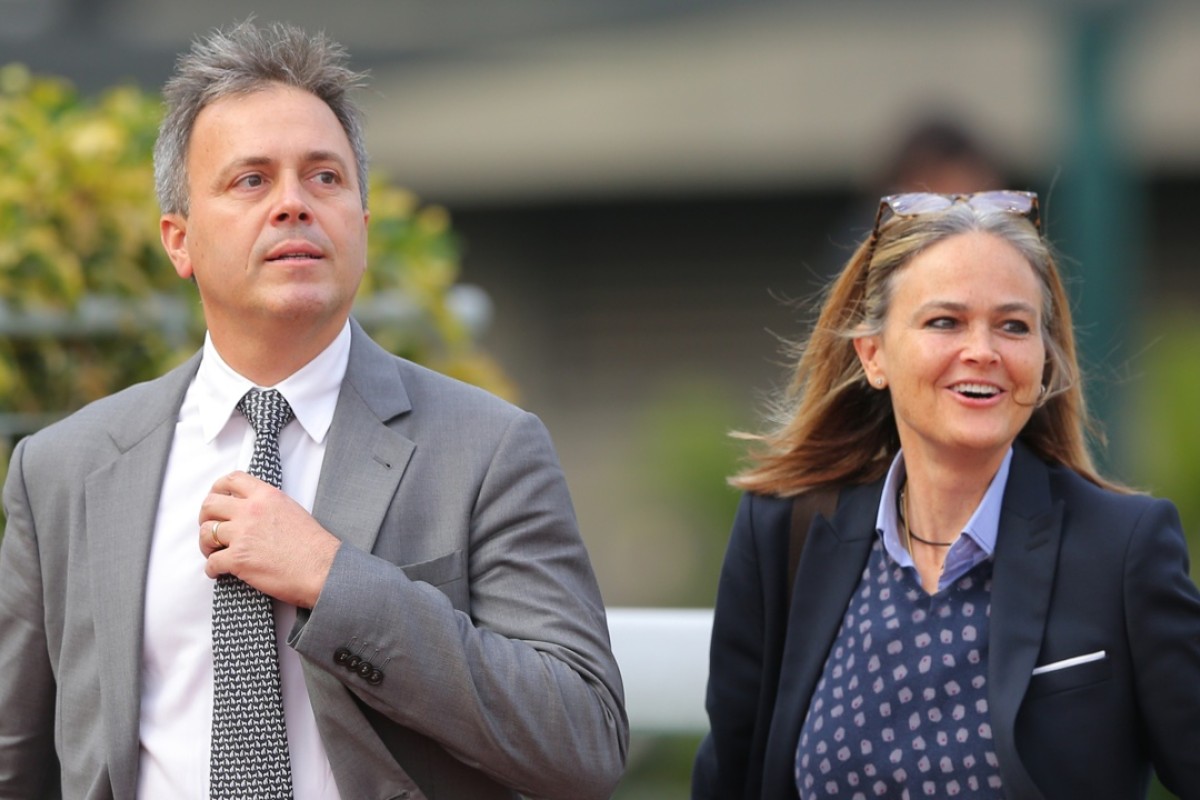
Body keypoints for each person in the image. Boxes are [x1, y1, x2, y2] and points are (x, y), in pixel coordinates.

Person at [0, 20, 627, 800]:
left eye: (324, 177)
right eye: (251, 180)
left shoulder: (487, 448)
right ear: (179, 240)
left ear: (361, 227)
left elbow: (583, 738)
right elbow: (16, 761)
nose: (294, 204)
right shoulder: (64, 469)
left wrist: (337, 583)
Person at [691, 190, 1200, 799]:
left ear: (1043, 360)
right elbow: (728, 780)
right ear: (873, 355)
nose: (982, 351)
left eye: (1013, 326)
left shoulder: (1123, 547)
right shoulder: (786, 531)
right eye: (945, 322)